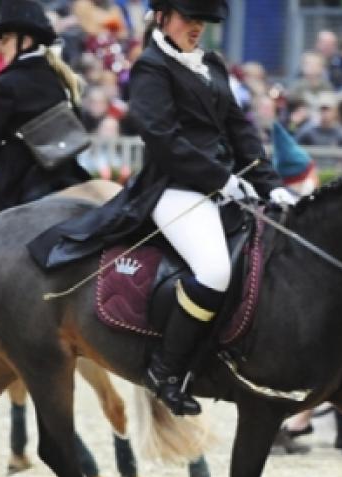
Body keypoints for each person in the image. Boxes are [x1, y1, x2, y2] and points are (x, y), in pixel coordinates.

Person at [28, 0, 294, 417]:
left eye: (204, 20)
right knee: (214, 271)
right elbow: (161, 137)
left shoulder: (211, 64)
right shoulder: (151, 66)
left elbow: (239, 130)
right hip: (175, 188)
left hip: (222, 188)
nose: (198, 27)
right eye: (190, 18)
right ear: (163, 15)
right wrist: (219, 179)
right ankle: (166, 370)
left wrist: (271, 185)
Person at [0, 0, 92, 216]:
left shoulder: (7, 82)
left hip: (18, 177)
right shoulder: (59, 76)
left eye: (5, 40)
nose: (1, 48)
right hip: (66, 170)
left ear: (24, 41)